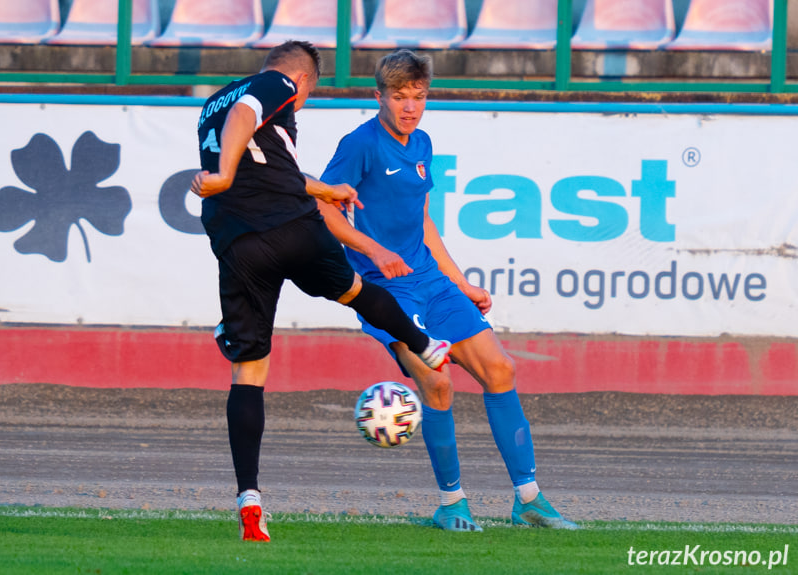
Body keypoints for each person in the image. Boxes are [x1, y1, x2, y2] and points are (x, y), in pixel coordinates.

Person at [190, 41, 451, 542]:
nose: (301, 104)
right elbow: (246, 117)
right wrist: (223, 175)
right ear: (303, 81)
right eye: (306, 95)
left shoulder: (213, 101)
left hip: (238, 242)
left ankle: (250, 499)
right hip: (291, 228)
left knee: (249, 370)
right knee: (354, 289)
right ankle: (424, 345)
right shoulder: (275, 85)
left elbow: (265, 165)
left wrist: (326, 190)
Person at [318, 49, 578, 531]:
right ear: (379, 97)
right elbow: (326, 210)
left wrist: (461, 283)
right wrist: (373, 251)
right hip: (384, 289)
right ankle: (451, 503)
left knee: (500, 368)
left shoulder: (422, 143)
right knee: (437, 382)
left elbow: (422, 221)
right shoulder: (360, 145)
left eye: (418, 97)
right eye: (399, 97)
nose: (409, 107)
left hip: (431, 281)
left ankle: (529, 500)